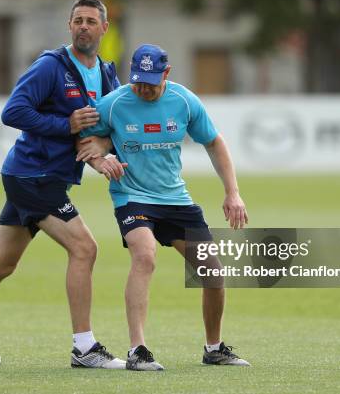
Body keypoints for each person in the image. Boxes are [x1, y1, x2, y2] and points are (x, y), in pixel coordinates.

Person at [0, 0, 125, 369]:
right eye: (78, 20)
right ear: (69, 25)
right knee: (85, 249)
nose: (84, 26)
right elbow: (13, 111)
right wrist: (66, 125)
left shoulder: (107, 74)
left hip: (40, 177)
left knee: (0, 265)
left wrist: (102, 149)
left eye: (91, 21)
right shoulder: (51, 67)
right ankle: (85, 349)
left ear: (104, 28)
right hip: (33, 177)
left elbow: (111, 124)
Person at [79, 44, 251, 371]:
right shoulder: (113, 104)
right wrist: (102, 160)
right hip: (132, 197)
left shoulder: (184, 101)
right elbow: (85, 142)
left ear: (167, 74)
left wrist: (233, 193)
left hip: (175, 200)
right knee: (144, 255)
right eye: (138, 82)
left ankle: (214, 348)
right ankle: (137, 350)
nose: (144, 89)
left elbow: (214, 142)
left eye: (151, 83)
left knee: (213, 273)